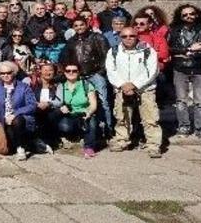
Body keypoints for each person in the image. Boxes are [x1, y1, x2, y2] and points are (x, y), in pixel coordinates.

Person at [168, 4, 201, 147]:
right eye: (185, 15)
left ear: (196, 14)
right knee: (181, 100)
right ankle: (184, 127)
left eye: (191, 14)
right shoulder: (174, 30)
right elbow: (169, 48)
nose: (188, 17)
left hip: (199, 68)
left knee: (200, 102)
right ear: (180, 16)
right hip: (180, 68)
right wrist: (188, 49)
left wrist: (197, 54)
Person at [106, 26, 161, 157]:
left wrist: (134, 85)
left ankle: (153, 145)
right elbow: (111, 70)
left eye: (132, 36)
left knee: (150, 118)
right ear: (120, 37)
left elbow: (152, 70)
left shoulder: (147, 50)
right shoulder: (114, 51)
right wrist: (122, 85)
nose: (128, 39)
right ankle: (122, 141)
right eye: (124, 36)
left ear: (137, 36)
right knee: (122, 117)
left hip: (145, 89)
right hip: (122, 89)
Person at [61, 17, 113, 135]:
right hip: (79, 76)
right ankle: (86, 129)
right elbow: (66, 58)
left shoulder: (97, 37)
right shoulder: (71, 41)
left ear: (87, 24)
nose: (79, 27)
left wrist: (101, 72)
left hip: (96, 74)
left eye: (81, 24)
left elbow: (107, 56)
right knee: (83, 102)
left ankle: (107, 129)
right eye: (76, 25)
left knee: (103, 102)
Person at [0, 61, 37, 161]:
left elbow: (32, 105)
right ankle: (32, 144)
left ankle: (21, 149)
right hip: (3, 121)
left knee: (17, 121)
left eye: (8, 73)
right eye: (2, 73)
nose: (5, 75)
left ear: (14, 73)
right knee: (8, 148)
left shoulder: (24, 87)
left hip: (21, 120)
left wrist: (15, 114)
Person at [54, 62, 99, 158]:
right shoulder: (61, 86)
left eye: (74, 71)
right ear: (64, 73)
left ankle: (89, 147)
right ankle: (74, 137)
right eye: (68, 71)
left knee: (91, 122)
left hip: (84, 113)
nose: (71, 73)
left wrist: (89, 112)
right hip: (69, 114)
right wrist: (61, 107)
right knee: (64, 126)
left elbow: (93, 104)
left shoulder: (86, 85)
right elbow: (57, 102)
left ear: (79, 72)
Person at [29, 61, 59, 154]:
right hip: (35, 108)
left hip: (50, 110)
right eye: (45, 70)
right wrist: (36, 103)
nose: (47, 72)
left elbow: (59, 100)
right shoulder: (32, 83)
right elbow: (27, 96)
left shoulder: (57, 85)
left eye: (50, 70)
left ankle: (46, 142)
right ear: (40, 71)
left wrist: (49, 104)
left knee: (53, 114)